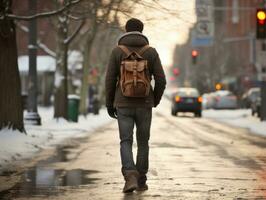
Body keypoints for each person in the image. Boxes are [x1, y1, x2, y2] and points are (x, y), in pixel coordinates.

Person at [105, 18, 166, 193]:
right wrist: (154, 99)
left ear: (126, 30)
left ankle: (130, 175)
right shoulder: (151, 52)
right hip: (145, 104)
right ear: (142, 30)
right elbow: (161, 80)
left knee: (125, 140)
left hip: (123, 104)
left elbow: (109, 80)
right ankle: (141, 179)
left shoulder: (117, 51)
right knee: (143, 141)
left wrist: (110, 103)